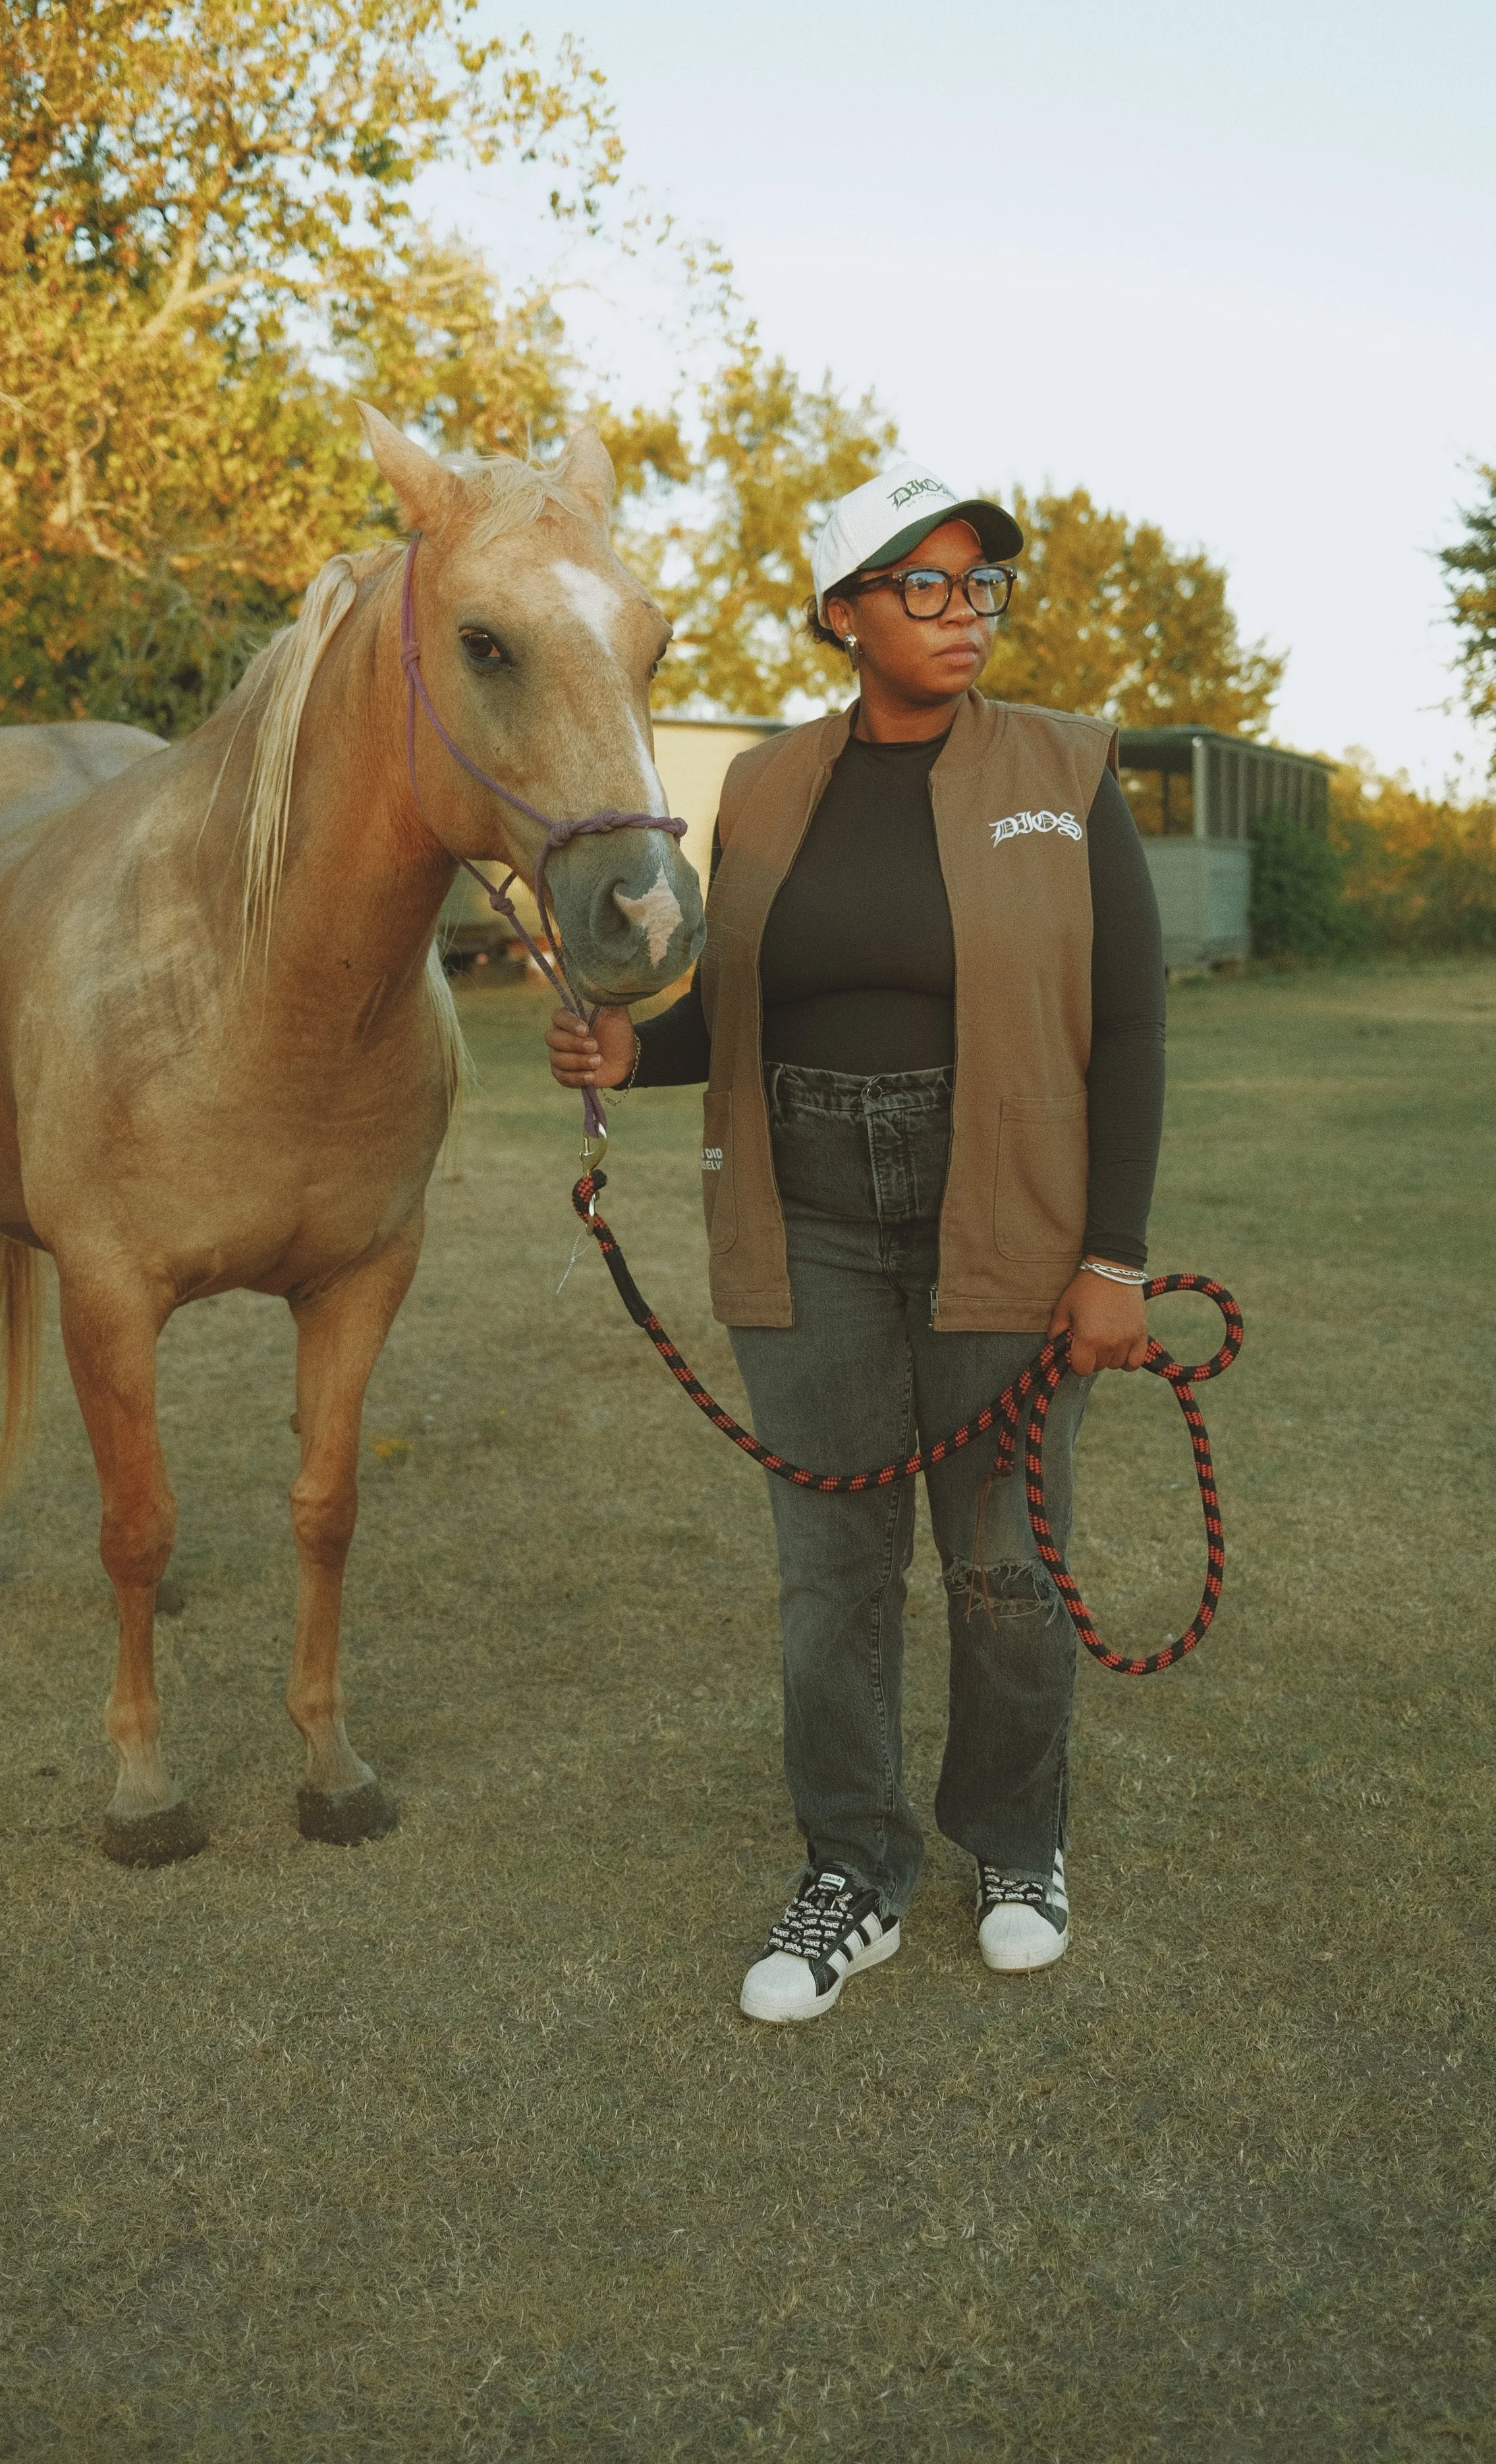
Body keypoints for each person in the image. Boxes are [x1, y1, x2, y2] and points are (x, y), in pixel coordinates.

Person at [547, 461, 1165, 2023]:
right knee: (831, 1571)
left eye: (980, 584)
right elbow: (734, 1012)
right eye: (924, 585)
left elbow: (1129, 1023)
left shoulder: (1066, 766)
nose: (965, 613)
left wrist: (1111, 1257)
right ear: (841, 612)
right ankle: (852, 1870)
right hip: (803, 1211)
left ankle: (1014, 1846)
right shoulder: (763, 786)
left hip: (1006, 1212)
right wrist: (635, 1052)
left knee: (1003, 1560)